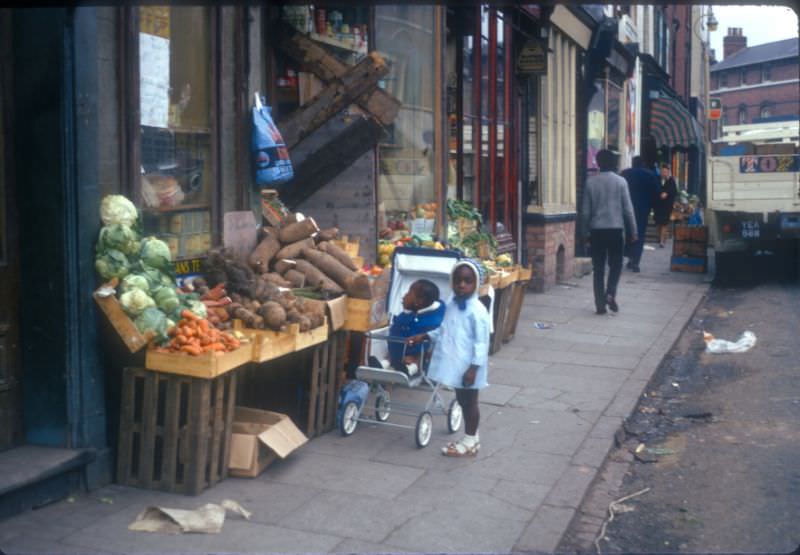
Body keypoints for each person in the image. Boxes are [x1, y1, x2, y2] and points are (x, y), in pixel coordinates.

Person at [407, 259, 490, 457]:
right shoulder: (451, 305)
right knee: (462, 399)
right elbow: (444, 330)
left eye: (467, 281)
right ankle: (473, 438)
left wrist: (474, 368)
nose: (462, 285)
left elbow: (481, 343)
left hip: (469, 366)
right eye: (458, 280)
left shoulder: (477, 311)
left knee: (470, 402)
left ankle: (470, 440)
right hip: (456, 362)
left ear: (476, 283)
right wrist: (426, 335)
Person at [581, 149, 637, 315]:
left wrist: (584, 234)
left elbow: (585, 212)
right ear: (613, 163)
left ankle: (599, 305)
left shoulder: (591, 182)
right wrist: (633, 230)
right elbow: (628, 210)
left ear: (598, 163)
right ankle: (610, 292)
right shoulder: (621, 182)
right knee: (616, 264)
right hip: (615, 230)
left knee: (598, 268)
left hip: (597, 231)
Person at [376, 279, 445, 376]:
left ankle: (410, 368)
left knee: (418, 355)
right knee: (391, 353)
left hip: (418, 353)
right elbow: (397, 329)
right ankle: (384, 364)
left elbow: (431, 337)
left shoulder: (432, 320)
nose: (404, 296)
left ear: (419, 302)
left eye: (409, 293)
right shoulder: (408, 315)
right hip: (400, 348)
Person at [621, 156, 659, 272]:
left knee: (627, 232)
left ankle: (629, 256)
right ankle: (635, 261)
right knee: (640, 234)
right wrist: (653, 207)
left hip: (626, 208)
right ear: (643, 163)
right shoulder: (650, 175)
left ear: (632, 163)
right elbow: (656, 193)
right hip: (643, 209)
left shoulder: (625, 174)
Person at [655, 164, 678, 248]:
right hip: (658, 205)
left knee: (664, 223)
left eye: (665, 171)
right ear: (660, 172)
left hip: (667, 205)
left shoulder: (671, 180)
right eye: (662, 171)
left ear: (668, 172)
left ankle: (662, 241)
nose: (664, 173)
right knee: (658, 223)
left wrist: (666, 193)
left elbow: (674, 191)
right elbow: (655, 188)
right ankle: (661, 238)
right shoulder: (657, 179)